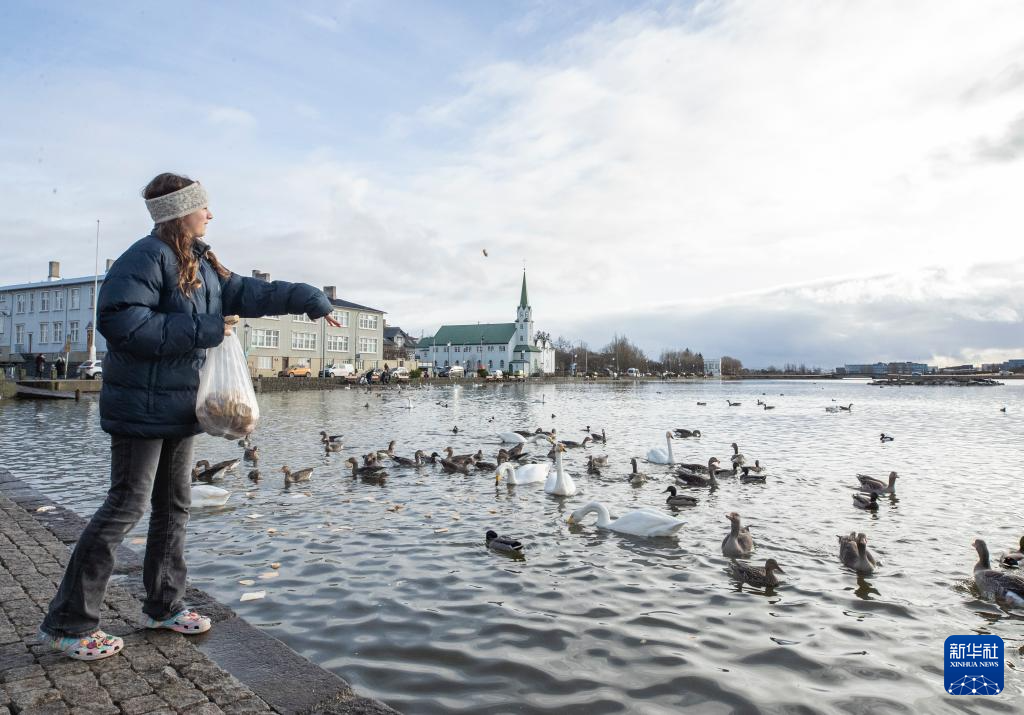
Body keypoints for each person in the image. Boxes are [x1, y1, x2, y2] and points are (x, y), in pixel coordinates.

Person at [38, 173, 341, 661]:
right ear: (180, 212)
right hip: (140, 409)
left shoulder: (199, 261)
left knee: (175, 505)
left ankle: (163, 604)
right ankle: (67, 623)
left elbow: (252, 293)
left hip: (182, 407)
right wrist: (206, 327)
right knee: (125, 508)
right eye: (204, 207)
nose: (211, 214)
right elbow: (121, 323)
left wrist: (311, 299)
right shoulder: (146, 257)